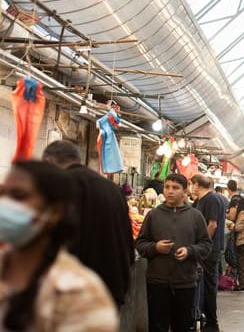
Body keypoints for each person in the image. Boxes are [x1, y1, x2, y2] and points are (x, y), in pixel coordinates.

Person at [0, 161, 118, 330]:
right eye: (2, 194)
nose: (4, 204)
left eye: (18, 196)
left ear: (55, 211)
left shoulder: (80, 294)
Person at [42, 140, 134, 307]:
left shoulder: (60, 185)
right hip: (112, 287)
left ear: (48, 162)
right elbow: (128, 242)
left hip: (74, 292)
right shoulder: (113, 189)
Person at [136, 173, 211, 332]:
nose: (170, 191)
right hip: (157, 282)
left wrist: (189, 251)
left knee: (181, 326)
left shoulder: (195, 216)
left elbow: (206, 245)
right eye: (167, 187)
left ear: (185, 191)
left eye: (175, 188)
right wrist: (155, 247)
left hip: (186, 282)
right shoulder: (153, 215)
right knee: (157, 326)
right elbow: (140, 244)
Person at [191, 173, 225, 332]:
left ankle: (212, 323)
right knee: (206, 284)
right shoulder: (207, 199)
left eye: (192, 184)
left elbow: (212, 224)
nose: (192, 188)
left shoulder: (210, 199)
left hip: (209, 250)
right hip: (209, 248)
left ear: (197, 184)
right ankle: (205, 319)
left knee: (209, 285)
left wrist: (203, 243)